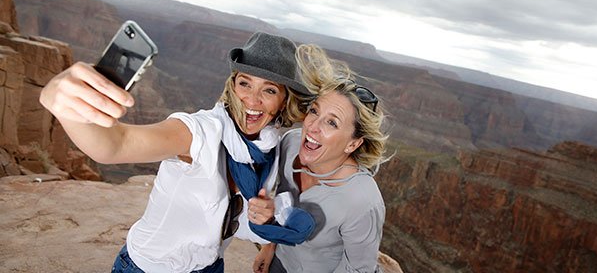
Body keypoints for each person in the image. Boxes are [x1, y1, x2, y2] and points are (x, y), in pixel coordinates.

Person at [39, 32, 313, 273]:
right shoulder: (197, 132)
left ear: (283, 101)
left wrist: (265, 235)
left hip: (210, 267)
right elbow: (115, 145)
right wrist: (60, 100)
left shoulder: (267, 148)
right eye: (245, 83)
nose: (253, 100)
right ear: (232, 85)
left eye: (269, 90)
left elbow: (239, 218)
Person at [251, 44, 389, 273]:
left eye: (332, 122)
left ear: (353, 143)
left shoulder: (361, 200)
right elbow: (282, 207)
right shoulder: (291, 143)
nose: (313, 126)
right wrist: (269, 247)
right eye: (315, 111)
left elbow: (357, 269)